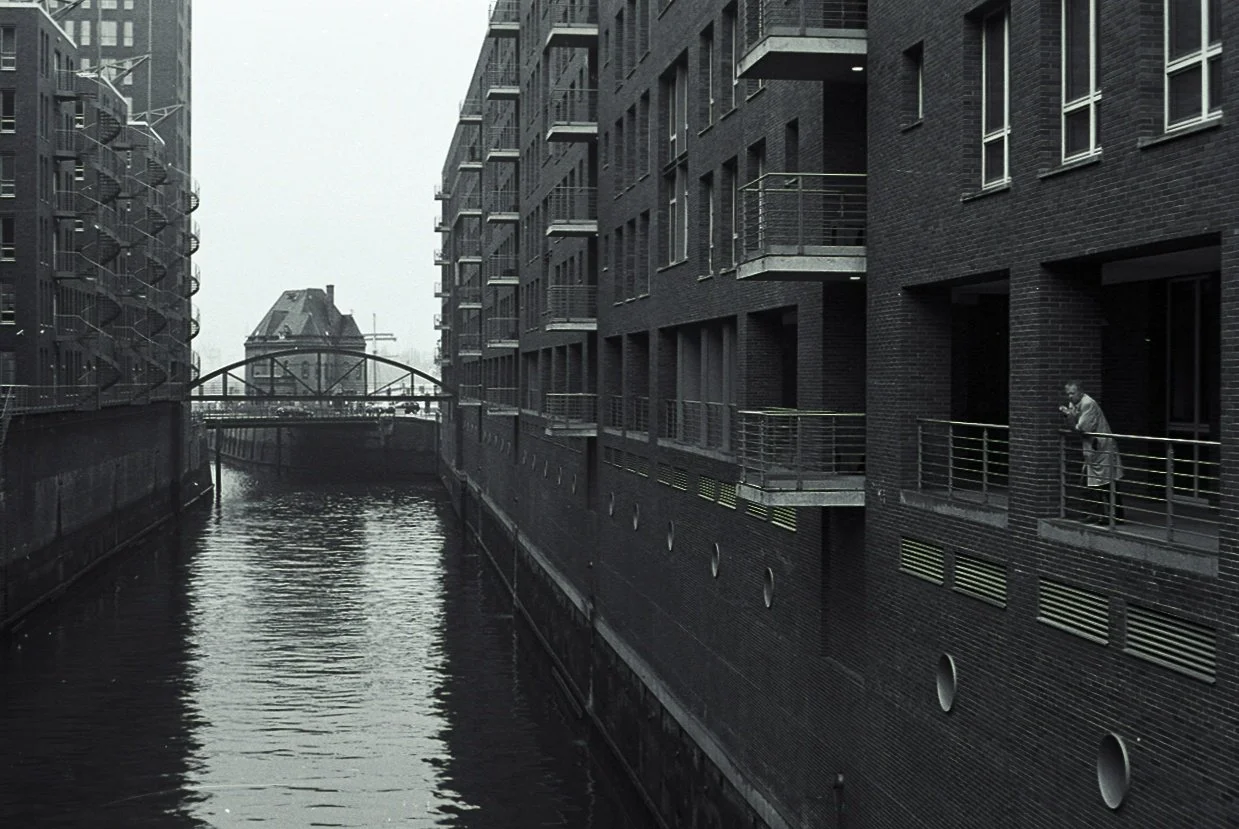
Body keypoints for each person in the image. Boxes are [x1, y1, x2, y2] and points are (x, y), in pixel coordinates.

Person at [1059, 380, 1125, 525]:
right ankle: (1098, 514)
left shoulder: (1088, 403)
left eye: (1073, 393)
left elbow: (1082, 428)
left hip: (1101, 447)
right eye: (1068, 393)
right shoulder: (1075, 404)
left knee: (1106, 483)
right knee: (1091, 483)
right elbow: (1074, 427)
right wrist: (1069, 417)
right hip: (1092, 449)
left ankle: (1114, 515)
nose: (1070, 396)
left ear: (1081, 392)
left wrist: (1069, 417)